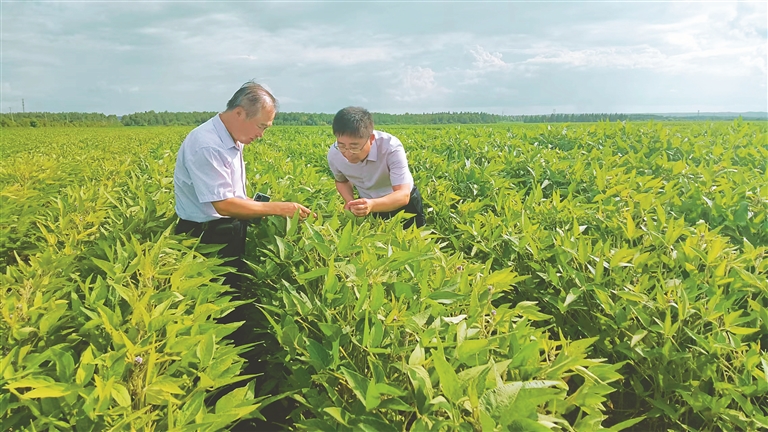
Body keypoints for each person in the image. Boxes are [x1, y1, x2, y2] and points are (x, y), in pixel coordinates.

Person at [173, 81, 312, 289]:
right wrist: (280, 208)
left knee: (232, 292)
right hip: (205, 238)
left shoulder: (232, 138)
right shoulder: (208, 145)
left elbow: (232, 194)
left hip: (226, 230)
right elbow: (224, 204)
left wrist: (258, 208)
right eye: (261, 126)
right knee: (215, 299)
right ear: (239, 113)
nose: (261, 134)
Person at [327, 106, 426, 229]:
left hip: (401, 204)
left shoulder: (391, 148)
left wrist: (372, 205)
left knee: (414, 238)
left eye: (354, 147)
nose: (348, 153)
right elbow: (342, 181)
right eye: (342, 146)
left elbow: (403, 195)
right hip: (367, 205)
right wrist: (350, 201)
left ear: (371, 139)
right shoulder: (334, 154)